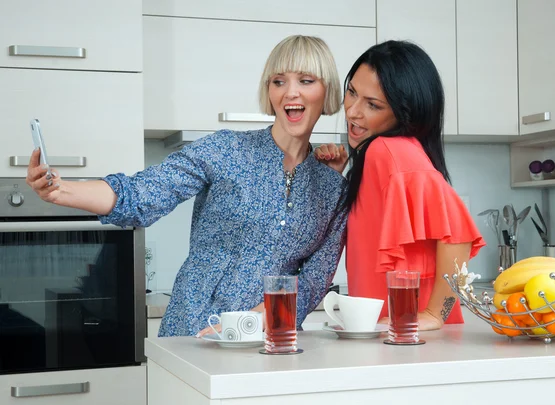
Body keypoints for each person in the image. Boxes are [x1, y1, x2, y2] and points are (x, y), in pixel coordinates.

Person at [26, 35, 348, 337]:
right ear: (269, 92)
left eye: (305, 81)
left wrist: (256, 321)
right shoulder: (226, 150)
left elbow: (313, 281)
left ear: (327, 91)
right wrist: (61, 190)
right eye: (279, 82)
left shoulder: (334, 189)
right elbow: (144, 194)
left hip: (272, 341)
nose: (290, 92)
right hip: (194, 332)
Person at [315, 40, 485, 331]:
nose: (353, 112)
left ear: (404, 113)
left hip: (409, 341)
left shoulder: (388, 151)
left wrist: (436, 314)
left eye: (373, 105)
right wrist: (334, 180)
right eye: (352, 92)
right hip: (395, 337)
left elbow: (458, 235)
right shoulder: (376, 156)